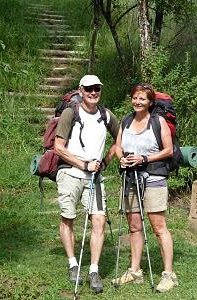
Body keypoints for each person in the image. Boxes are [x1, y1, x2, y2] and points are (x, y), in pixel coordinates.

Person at [54, 75, 119, 293]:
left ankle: (93, 270)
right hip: (70, 174)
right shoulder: (70, 113)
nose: (93, 92)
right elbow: (58, 147)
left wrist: (105, 162)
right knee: (68, 218)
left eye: (97, 89)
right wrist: (83, 163)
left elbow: (121, 139)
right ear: (81, 91)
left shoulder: (106, 115)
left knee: (99, 220)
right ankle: (73, 264)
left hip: (95, 177)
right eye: (89, 89)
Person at [113, 83, 178, 292]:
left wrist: (145, 158)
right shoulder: (126, 120)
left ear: (150, 102)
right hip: (130, 177)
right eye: (135, 98)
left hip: (154, 177)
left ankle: (169, 275)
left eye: (142, 99)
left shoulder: (157, 121)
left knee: (158, 227)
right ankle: (135, 271)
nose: (137, 102)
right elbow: (118, 146)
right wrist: (122, 159)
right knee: (134, 226)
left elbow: (168, 150)